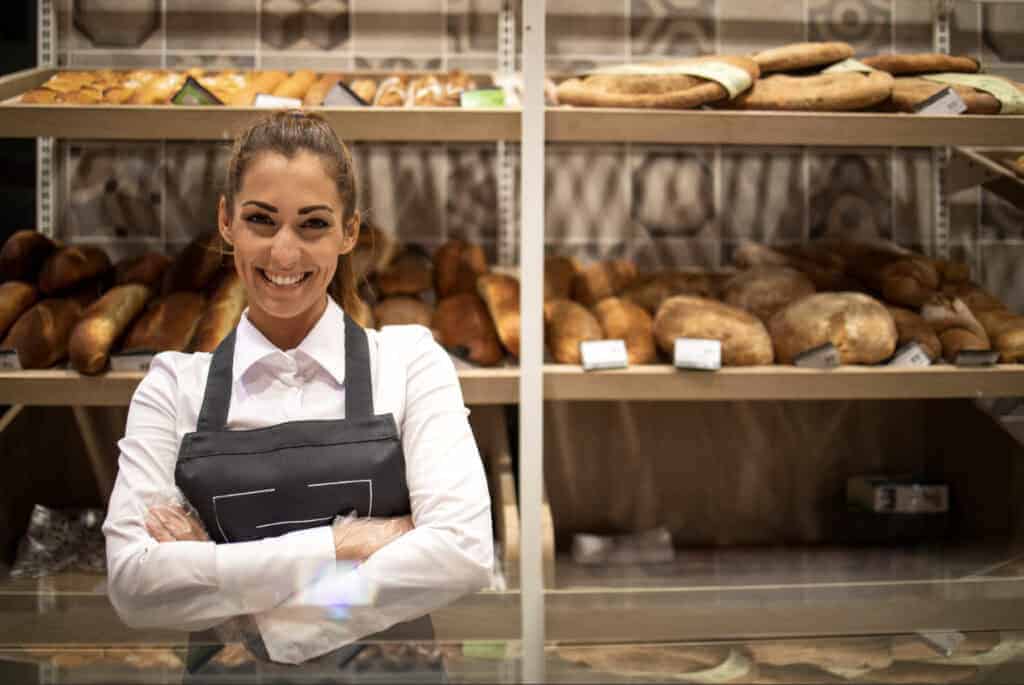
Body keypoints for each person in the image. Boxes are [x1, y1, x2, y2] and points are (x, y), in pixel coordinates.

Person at [102, 111, 494, 682]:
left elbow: (462, 552)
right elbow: (136, 586)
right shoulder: (172, 387)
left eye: (312, 225)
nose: (284, 255)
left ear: (350, 231)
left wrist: (263, 619)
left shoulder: (411, 364)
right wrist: (342, 544)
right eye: (262, 220)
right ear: (226, 222)